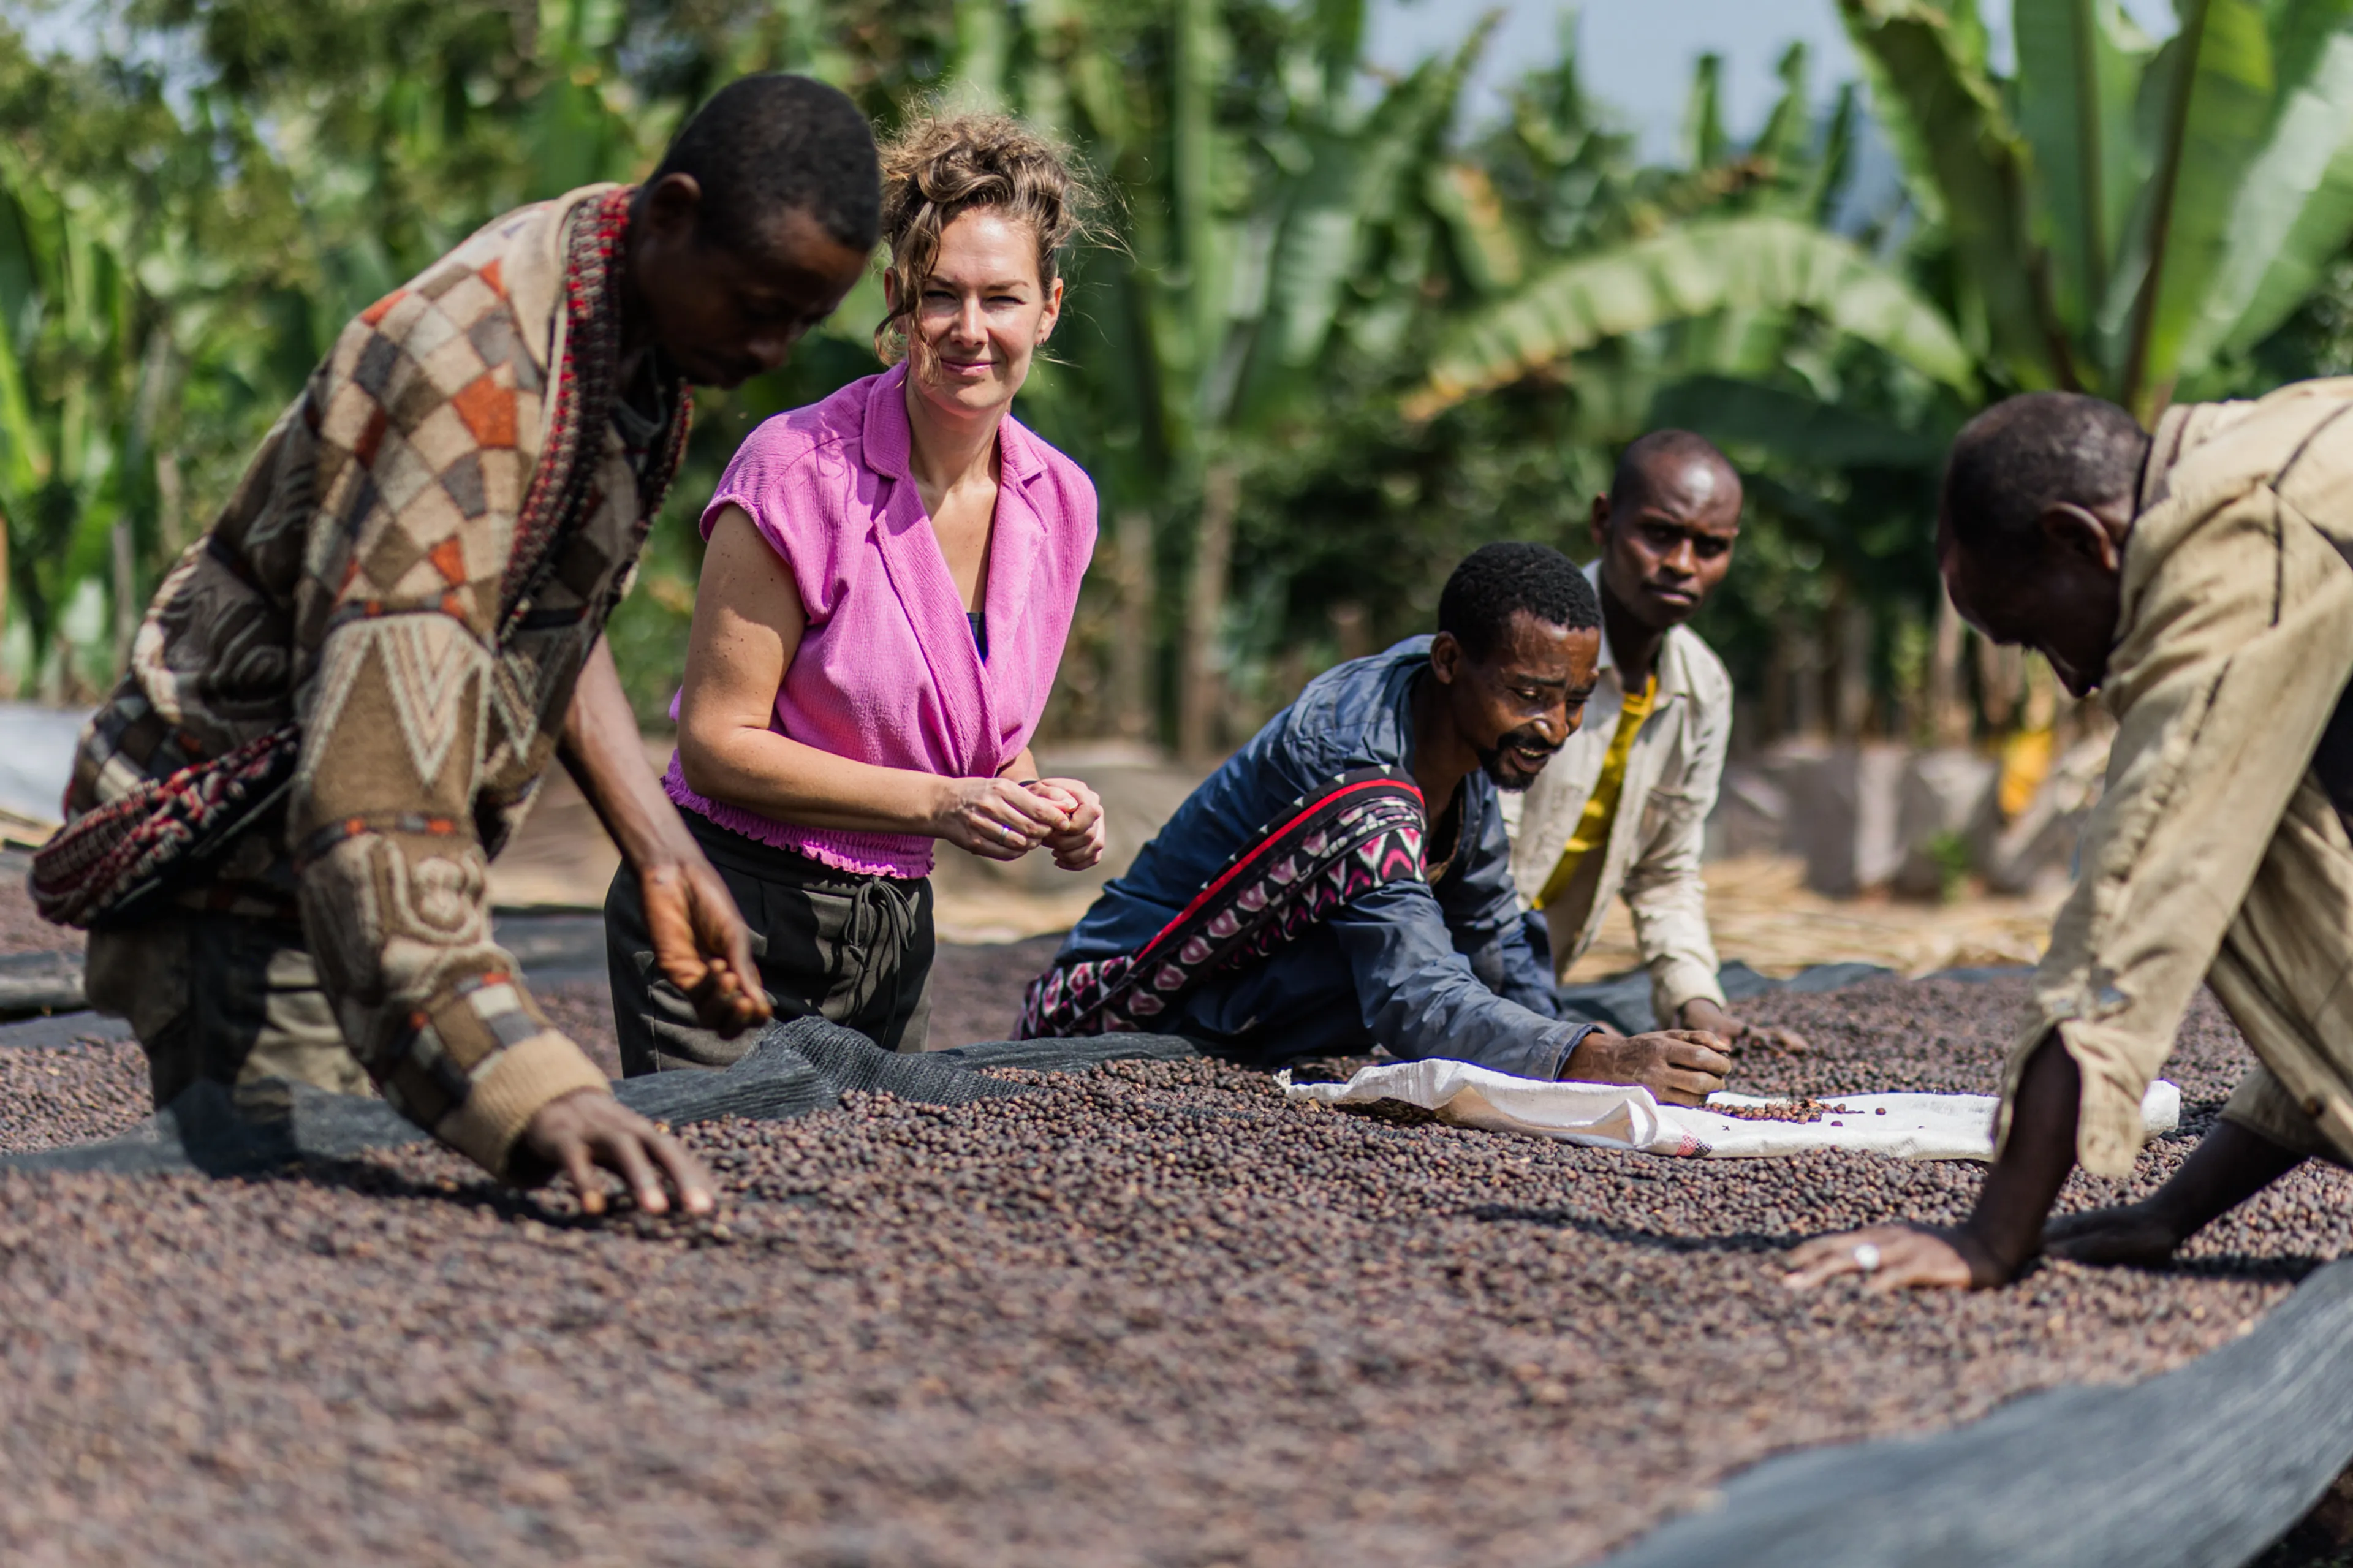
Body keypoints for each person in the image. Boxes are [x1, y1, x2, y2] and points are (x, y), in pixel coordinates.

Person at [34, 74, 884, 1215]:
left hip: (335, 856)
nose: (775, 346)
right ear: (673, 212)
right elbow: (371, 797)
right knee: (294, 1242)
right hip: (247, 877)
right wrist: (535, 1086)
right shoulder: (474, 374)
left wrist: (662, 846)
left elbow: (535, 600)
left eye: (802, 319)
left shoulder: (618, 317)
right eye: (756, 303)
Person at [1786, 382, 2353, 1292]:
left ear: (2079, 539)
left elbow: (2136, 897)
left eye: (2035, 632)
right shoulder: (2269, 457)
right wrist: (2171, 1211)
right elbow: (2328, 956)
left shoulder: (2231, 537)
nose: (2074, 679)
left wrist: (1994, 1235)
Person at [606, 113, 1107, 1073]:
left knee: (868, 1202)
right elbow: (714, 746)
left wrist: (1038, 798)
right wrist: (942, 804)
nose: (970, 331)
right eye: (940, 296)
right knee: (726, 1191)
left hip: (892, 935)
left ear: (1047, 308)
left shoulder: (1062, 503)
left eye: (1000, 299)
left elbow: (980, 730)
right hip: (725, 912)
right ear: (894, 298)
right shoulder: (797, 471)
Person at [1018, 542, 1738, 1102]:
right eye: (1530, 696)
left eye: (1576, 701)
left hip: (1254, 1008)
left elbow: (1490, 931)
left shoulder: (1455, 739)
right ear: (1451, 660)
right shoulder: (1353, 762)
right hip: (1117, 1013)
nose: (1555, 728)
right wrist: (1592, 1056)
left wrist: (1561, 1051)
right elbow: (1412, 996)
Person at [1501, 430, 1803, 1051]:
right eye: (1660, 535)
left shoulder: (1703, 688)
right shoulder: (1522, 647)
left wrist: (1699, 1002)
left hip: (1530, 982)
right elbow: (1475, 861)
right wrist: (1532, 1017)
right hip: (1437, 970)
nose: (1683, 564)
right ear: (1603, 520)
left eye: (1711, 547)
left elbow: (1666, 871)